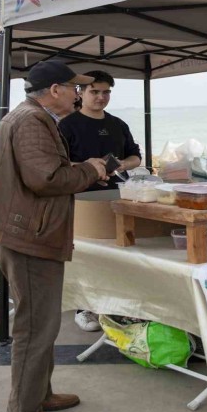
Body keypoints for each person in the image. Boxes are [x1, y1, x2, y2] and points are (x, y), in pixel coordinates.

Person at [0, 60, 108, 412]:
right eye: (75, 88)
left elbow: (41, 172)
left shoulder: (29, 116)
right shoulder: (31, 120)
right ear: (56, 90)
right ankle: (25, 408)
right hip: (27, 233)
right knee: (36, 324)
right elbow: (45, 179)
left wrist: (81, 168)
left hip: (21, 229)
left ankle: (40, 393)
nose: (79, 94)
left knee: (42, 321)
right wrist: (91, 169)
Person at [58, 70, 142, 332]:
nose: (101, 97)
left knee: (117, 251)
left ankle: (117, 305)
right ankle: (84, 307)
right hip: (80, 196)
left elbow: (136, 158)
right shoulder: (66, 125)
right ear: (81, 93)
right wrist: (89, 168)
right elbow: (57, 163)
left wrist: (119, 166)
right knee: (84, 253)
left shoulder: (118, 124)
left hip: (115, 195)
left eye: (106, 92)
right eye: (95, 91)